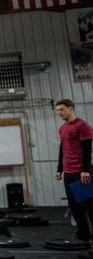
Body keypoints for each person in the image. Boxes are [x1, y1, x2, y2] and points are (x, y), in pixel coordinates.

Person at [55, 99, 93, 245]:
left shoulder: (82, 126)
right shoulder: (62, 128)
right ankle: (84, 235)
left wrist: (85, 170)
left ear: (71, 108)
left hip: (81, 173)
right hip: (69, 173)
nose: (59, 113)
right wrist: (60, 169)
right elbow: (62, 149)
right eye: (57, 110)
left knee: (90, 207)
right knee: (75, 207)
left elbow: (87, 149)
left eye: (62, 109)